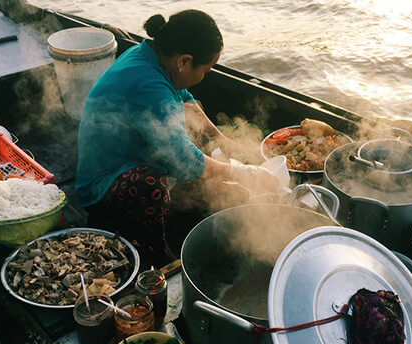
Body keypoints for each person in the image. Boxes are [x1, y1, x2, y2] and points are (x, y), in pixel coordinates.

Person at [76, 10, 280, 268]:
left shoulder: (155, 60)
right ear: (184, 61)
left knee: (192, 122)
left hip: (135, 150)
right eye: (206, 69)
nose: (205, 76)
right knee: (151, 185)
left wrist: (222, 140)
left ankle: (197, 191)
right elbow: (186, 162)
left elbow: (187, 101)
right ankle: (158, 252)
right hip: (103, 185)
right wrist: (244, 173)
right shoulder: (146, 83)